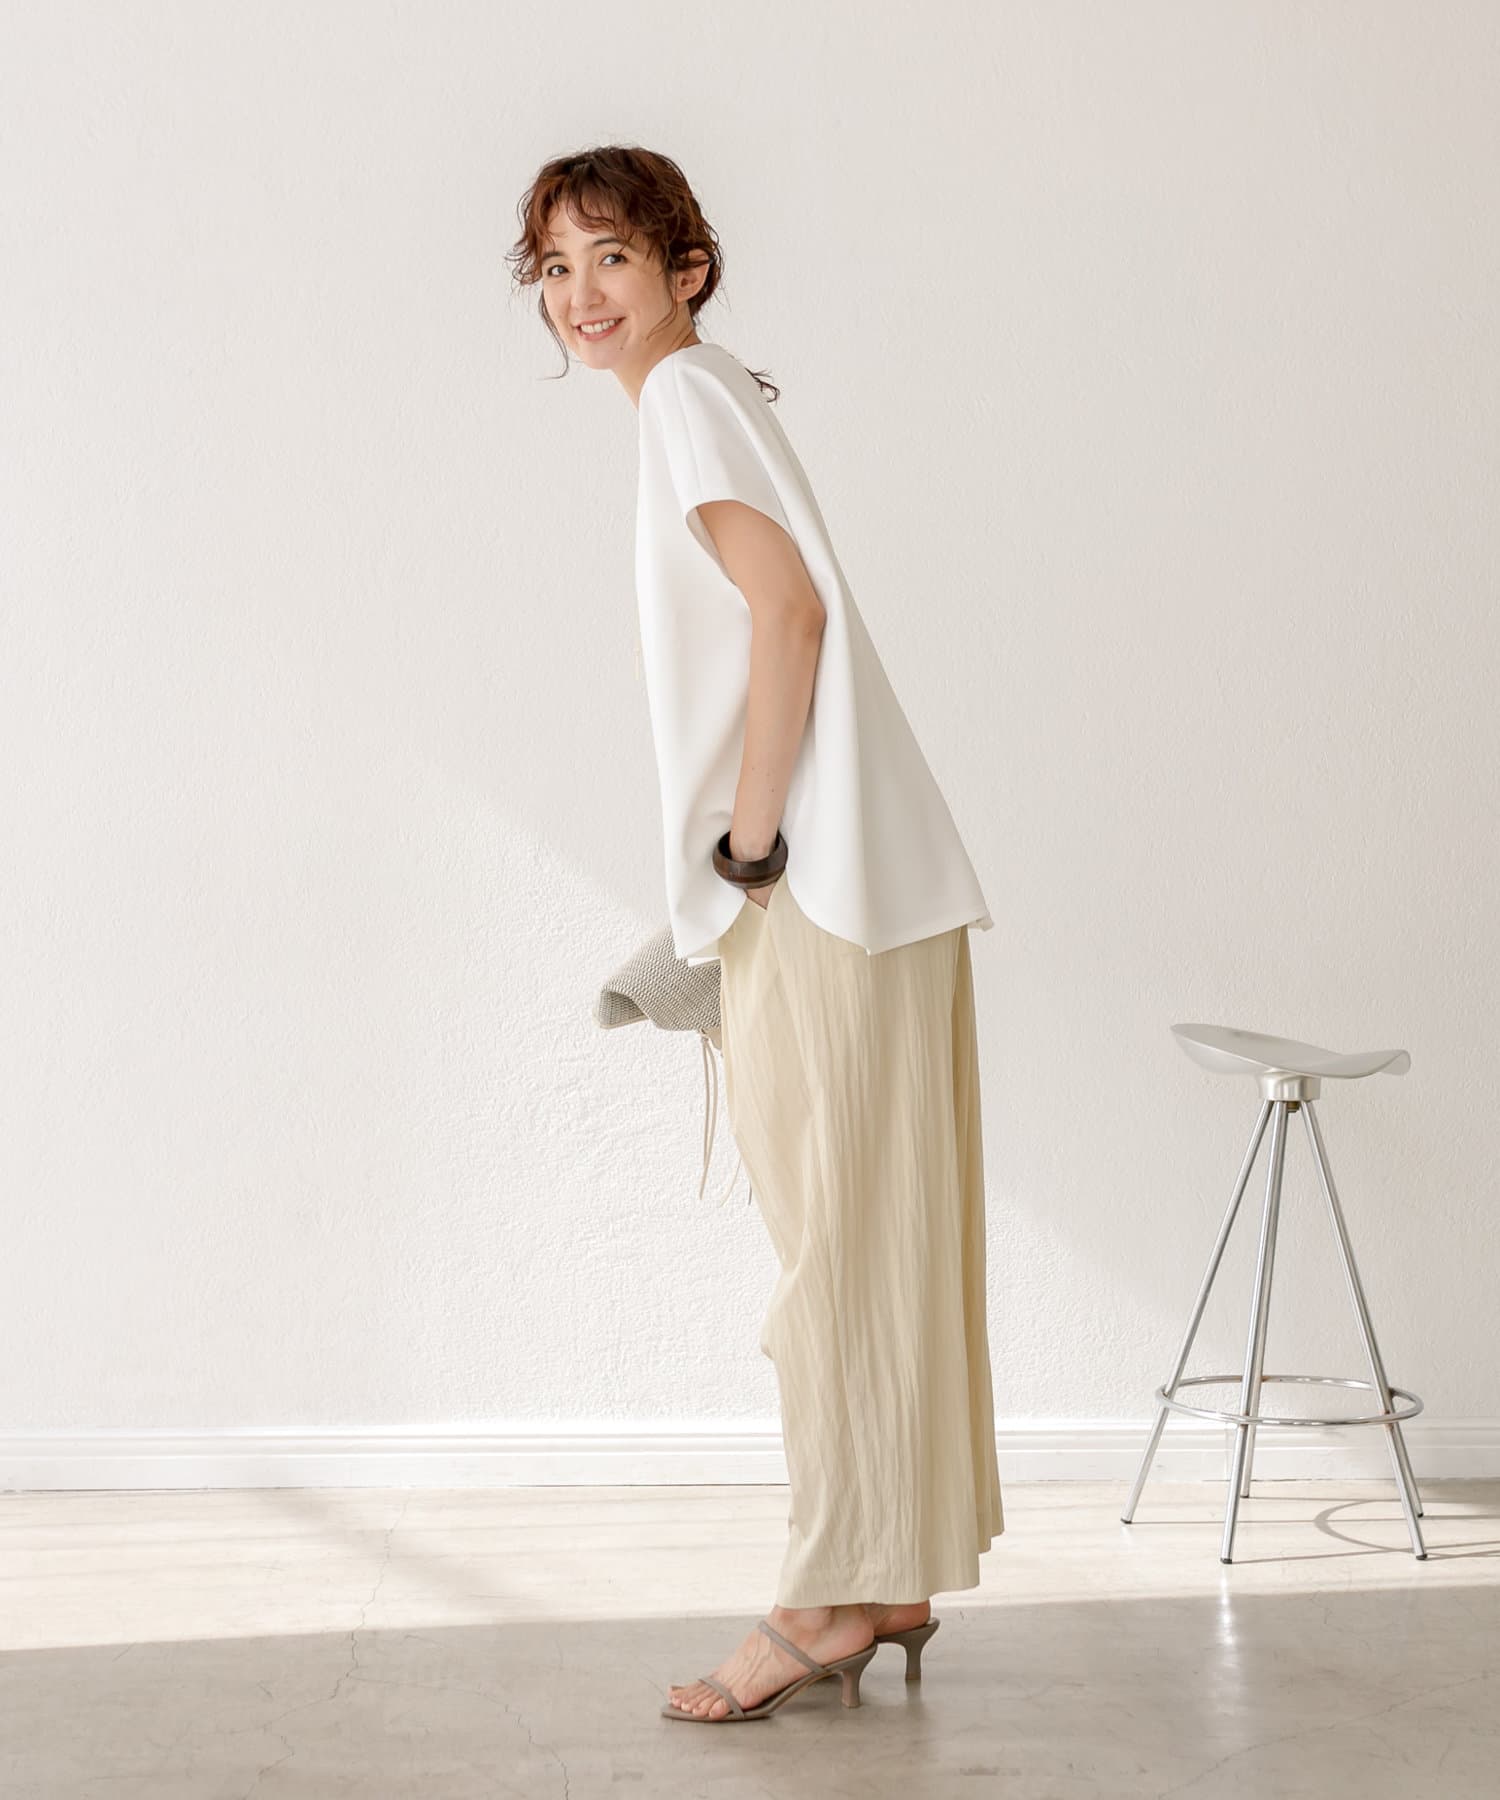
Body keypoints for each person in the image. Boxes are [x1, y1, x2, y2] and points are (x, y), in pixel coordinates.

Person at [510, 145, 1004, 1723]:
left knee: (830, 1264)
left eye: (612, 258)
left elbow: (786, 613)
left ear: (687, 270)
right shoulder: (709, 391)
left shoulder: (681, 398)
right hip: (880, 887)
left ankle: (819, 1602)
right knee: (878, 1244)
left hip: (821, 891)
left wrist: (750, 841)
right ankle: (888, 1574)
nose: (582, 295)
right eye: (556, 267)